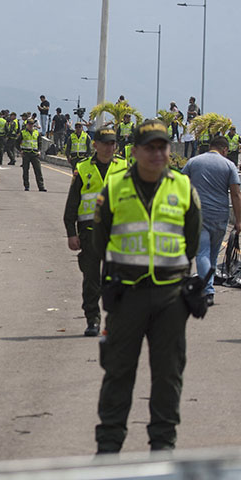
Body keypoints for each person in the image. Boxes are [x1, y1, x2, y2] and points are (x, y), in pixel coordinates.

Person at [93, 119, 201, 454]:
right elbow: (100, 242)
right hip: (127, 296)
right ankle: (109, 448)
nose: (157, 153)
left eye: (163, 147)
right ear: (135, 151)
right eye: (150, 147)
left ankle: (163, 448)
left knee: (168, 376)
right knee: (118, 372)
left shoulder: (184, 188)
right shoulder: (114, 189)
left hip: (171, 297)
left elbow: (192, 242)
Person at [63, 128, 127, 336]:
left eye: (113, 143)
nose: (110, 147)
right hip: (90, 231)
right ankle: (92, 320)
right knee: (91, 279)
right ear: (95, 145)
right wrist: (71, 232)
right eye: (106, 143)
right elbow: (72, 203)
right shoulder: (82, 169)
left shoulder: (124, 167)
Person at [182, 135, 241, 305]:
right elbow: (236, 195)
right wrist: (238, 220)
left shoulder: (194, 162)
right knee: (213, 255)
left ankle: (207, 291)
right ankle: (208, 289)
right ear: (224, 149)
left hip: (198, 215)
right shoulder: (229, 165)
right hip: (220, 216)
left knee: (202, 253)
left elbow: (180, 184)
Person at [16, 119, 46, 192]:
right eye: (29, 124)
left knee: (38, 170)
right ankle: (26, 186)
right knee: (25, 170)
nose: (31, 125)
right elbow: (17, 142)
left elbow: (40, 142)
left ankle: (41, 186)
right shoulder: (23, 133)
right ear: (27, 125)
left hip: (34, 153)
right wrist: (20, 150)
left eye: (32, 124)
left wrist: (39, 150)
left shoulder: (36, 133)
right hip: (26, 153)